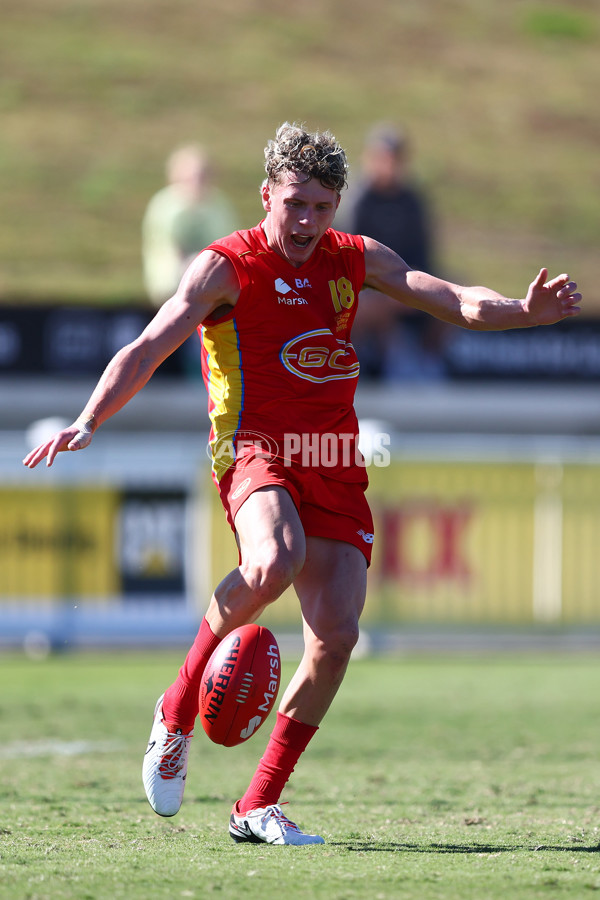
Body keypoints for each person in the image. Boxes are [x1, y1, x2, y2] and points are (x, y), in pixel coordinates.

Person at [23, 122, 582, 846]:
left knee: (338, 636)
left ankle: (256, 806)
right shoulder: (225, 266)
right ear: (267, 195)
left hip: (334, 458)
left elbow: (451, 299)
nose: (308, 222)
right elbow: (148, 344)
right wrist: (90, 418)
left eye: (322, 207)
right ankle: (176, 708)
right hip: (254, 448)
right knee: (273, 560)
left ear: (338, 205)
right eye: (295, 204)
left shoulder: (354, 258)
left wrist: (522, 313)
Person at [343, 123, 443, 380]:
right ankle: (389, 369)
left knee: (449, 292)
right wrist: (389, 289)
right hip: (368, 286)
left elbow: (423, 252)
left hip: (404, 279)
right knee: (379, 305)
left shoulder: (411, 200)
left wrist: (417, 283)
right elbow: (351, 255)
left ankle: (430, 365)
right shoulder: (358, 199)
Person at [142, 144, 239, 307]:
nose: (197, 183)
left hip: (211, 283)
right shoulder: (164, 205)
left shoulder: (219, 205)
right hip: (171, 284)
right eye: (192, 177)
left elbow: (226, 244)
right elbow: (165, 246)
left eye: (202, 176)